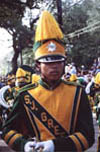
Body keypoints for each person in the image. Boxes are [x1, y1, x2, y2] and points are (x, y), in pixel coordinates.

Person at [1, 11, 94, 152]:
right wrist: (24, 145)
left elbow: (88, 135)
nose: (55, 66)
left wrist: (55, 146)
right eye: (48, 63)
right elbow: (8, 130)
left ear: (64, 63)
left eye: (59, 61)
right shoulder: (25, 95)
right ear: (38, 65)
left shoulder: (77, 92)